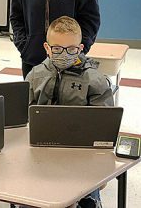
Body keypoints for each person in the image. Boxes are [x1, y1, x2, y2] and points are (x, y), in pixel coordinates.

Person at [26, 16, 114, 208]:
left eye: (71, 49)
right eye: (57, 48)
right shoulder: (34, 75)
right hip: (42, 151)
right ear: (47, 48)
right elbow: (25, 116)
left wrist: (101, 167)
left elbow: (105, 125)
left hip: (81, 155)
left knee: (86, 201)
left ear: (80, 48)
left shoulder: (95, 80)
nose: (64, 54)